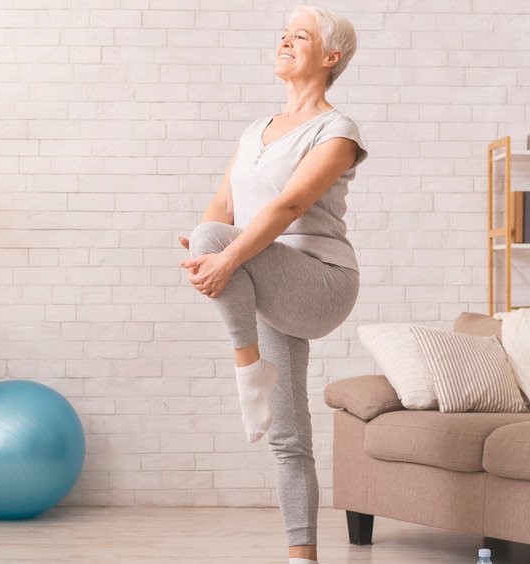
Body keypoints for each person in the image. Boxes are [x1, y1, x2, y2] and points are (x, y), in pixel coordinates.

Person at [178, 6, 366, 564]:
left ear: (330, 58)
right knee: (287, 434)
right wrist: (203, 247)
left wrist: (224, 253)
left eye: (299, 36)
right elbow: (224, 204)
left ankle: (246, 365)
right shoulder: (254, 130)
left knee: (217, 238)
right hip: (264, 275)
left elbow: (291, 205)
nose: (284, 42)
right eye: (282, 35)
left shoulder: (337, 130)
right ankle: (301, 556)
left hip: (322, 281)